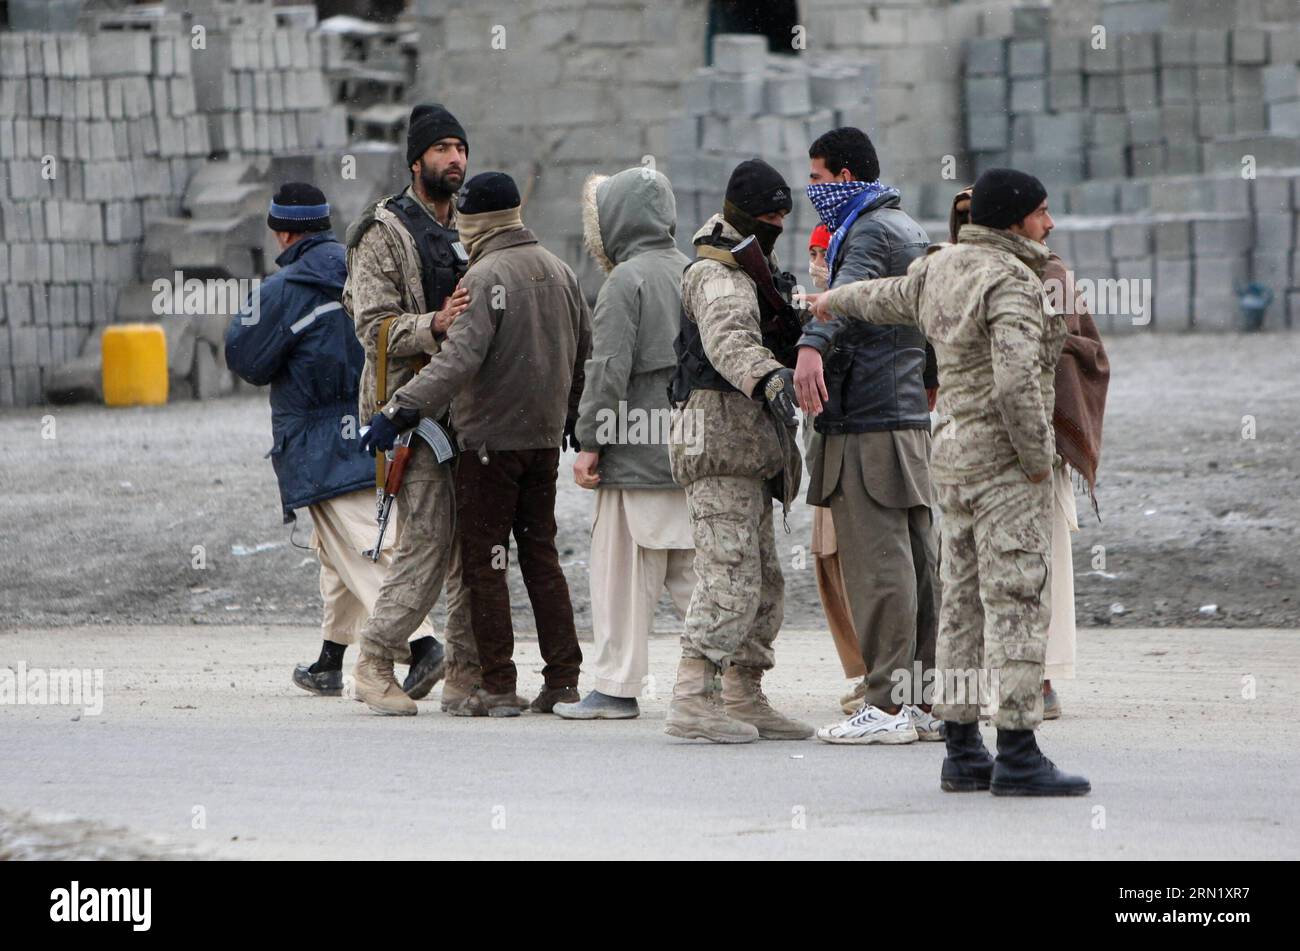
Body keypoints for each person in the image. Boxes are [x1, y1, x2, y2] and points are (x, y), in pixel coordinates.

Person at [805, 168, 1091, 796]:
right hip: (1005, 466)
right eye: (1041, 214)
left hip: (951, 459)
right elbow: (1018, 383)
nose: (1049, 225)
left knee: (960, 600)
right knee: (1016, 599)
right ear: (1016, 220)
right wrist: (1039, 461)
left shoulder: (942, 268)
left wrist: (830, 301)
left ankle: (962, 749)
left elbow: (883, 297)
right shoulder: (1013, 281)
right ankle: (1017, 750)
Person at [364, 172, 592, 719]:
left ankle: (495, 684)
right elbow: (583, 351)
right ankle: (562, 681)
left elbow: (458, 360)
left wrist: (401, 409)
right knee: (542, 559)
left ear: (474, 221)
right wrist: (570, 420)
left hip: (488, 445)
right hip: (542, 444)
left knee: (485, 565)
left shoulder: (486, 275)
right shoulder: (560, 270)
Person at [224, 183, 442, 700]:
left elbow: (245, 359)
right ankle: (330, 659)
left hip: (321, 443)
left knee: (366, 547)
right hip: (378, 424)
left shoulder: (283, 292)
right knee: (337, 549)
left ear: (281, 233)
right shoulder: (360, 268)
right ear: (324, 225)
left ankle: (423, 642)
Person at [791, 127, 941, 745]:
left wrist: (808, 346)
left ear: (847, 178)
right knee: (916, 564)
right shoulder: (906, 227)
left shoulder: (871, 231)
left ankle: (885, 706)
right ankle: (922, 700)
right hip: (905, 417)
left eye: (820, 178)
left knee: (879, 568)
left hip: (868, 422)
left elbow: (849, 303)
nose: (814, 190)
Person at [947, 186, 1110, 721]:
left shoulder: (1048, 275)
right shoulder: (954, 272)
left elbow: (1073, 352)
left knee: (1034, 567)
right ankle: (967, 704)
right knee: (967, 578)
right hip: (969, 449)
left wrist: (1039, 452)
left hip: (1032, 449)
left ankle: (1035, 683)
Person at [664, 157, 812, 744]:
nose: (778, 221)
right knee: (728, 575)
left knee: (764, 580)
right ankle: (691, 698)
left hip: (751, 447)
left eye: (784, 212)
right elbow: (729, 338)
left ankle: (742, 693)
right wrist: (768, 375)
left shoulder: (758, 268)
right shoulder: (717, 273)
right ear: (745, 213)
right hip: (721, 441)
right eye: (769, 213)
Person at [342, 103, 478, 715]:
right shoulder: (383, 233)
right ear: (416, 159)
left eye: (461, 148)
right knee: (426, 540)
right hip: (410, 415)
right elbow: (371, 328)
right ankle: (374, 660)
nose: (455, 159)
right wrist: (435, 324)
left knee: (470, 547)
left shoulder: (469, 226)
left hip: (469, 413)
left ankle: (468, 676)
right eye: (443, 148)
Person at [554, 168, 696, 720]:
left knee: (621, 577)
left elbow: (607, 370)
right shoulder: (695, 271)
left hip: (634, 454)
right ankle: (727, 678)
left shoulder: (625, 281)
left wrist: (590, 443)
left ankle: (615, 686)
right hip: (688, 448)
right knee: (694, 576)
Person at [805, 223, 865, 711]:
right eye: (812, 253)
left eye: (823, 253)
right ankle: (869, 671)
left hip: (856, 449)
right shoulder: (816, 311)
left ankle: (886, 677)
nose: (816, 261)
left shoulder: (849, 310)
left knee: (861, 563)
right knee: (829, 562)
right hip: (825, 454)